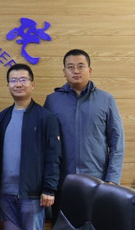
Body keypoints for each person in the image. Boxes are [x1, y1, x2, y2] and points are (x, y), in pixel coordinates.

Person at [0, 63, 61, 230]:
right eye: (13, 80)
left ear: (32, 84)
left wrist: (49, 189)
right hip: (4, 194)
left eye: (23, 80)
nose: (18, 84)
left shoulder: (45, 117)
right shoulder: (2, 117)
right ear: (8, 85)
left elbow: (53, 156)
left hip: (32, 195)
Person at [44, 49, 125, 185]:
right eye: (70, 67)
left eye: (81, 66)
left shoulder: (106, 100)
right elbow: (45, 142)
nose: (76, 71)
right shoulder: (52, 101)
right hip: (62, 180)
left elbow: (117, 142)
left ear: (90, 70)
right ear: (64, 72)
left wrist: (112, 179)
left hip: (97, 180)